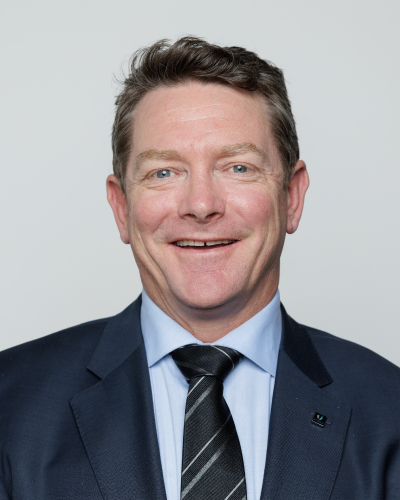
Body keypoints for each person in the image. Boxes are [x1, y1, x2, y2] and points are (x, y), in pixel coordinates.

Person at [0, 37, 399, 500]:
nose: (202, 204)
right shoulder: (11, 405)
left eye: (238, 167)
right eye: (163, 172)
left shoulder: (389, 410)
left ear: (291, 197)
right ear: (121, 207)